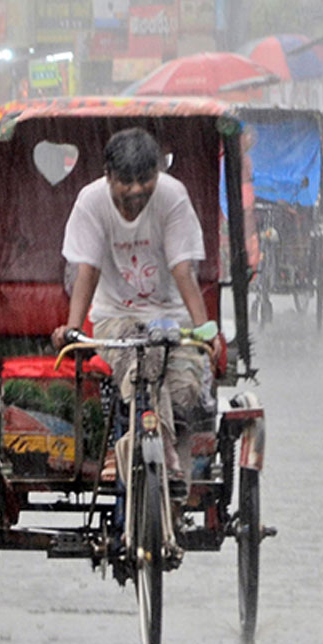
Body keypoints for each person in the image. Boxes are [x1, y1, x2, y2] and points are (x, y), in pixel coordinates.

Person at [51, 127, 221, 496]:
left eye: (144, 180)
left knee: (184, 389)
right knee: (142, 361)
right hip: (115, 317)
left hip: (172, 316)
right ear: (108, 176)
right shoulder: (91, 202)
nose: (135, 191)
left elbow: (182, 269)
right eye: (125, 182)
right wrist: (72, 327)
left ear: (157, 175)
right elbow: (88, 270)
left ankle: (160, 458)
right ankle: (167, 457)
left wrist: (205, 328)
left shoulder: (173, 197)